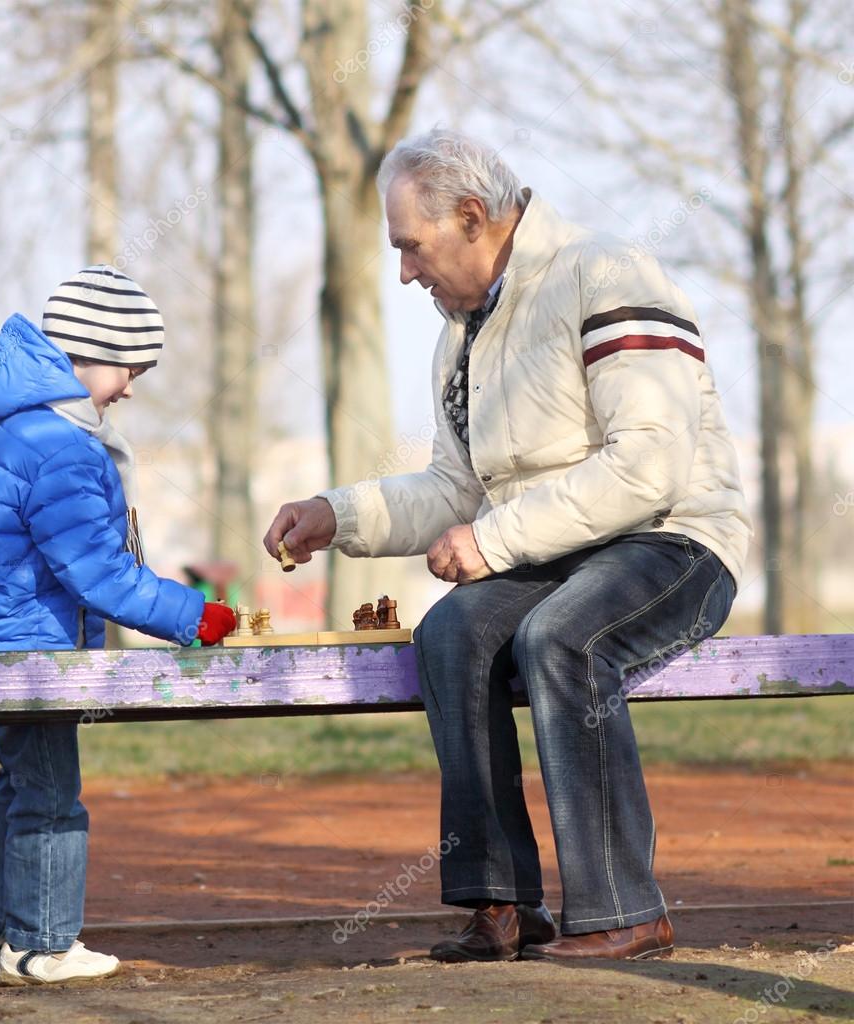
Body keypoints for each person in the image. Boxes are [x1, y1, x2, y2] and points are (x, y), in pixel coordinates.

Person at [264, 130, 751, 962]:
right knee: (450, 632)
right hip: (554, 555)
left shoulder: (607, 274)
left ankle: (627, 910)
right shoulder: (460, 338)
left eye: (413, 248)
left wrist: (493, 540)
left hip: (673, 540)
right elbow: (457, 490)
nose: (407, 273)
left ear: (471, 216)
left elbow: (650, 465)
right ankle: (503, 905)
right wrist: (335, 514)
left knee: (563, 636)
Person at [0, 266, 236, 985]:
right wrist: (196, 615)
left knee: (19, 782)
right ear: (88, 354)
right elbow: (99, 573)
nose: (129, 388)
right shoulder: (62, 447)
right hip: (33, 655)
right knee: (50, 797)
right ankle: (41, 946)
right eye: (128, 369)